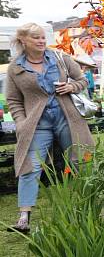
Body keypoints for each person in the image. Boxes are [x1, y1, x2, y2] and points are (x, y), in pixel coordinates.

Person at [5, 23, 94, 233]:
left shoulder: (60, 58)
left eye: (43, 37)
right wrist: (20, 122)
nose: (42, 41)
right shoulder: (16, 68)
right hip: (38, 125)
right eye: (36, 38)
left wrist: (71, 86)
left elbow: (82, 80)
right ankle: (24, 218)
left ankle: (90, 206)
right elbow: (13, 100)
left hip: (67, 118)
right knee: (31, 166)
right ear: (23, 41)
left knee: (80, 160)